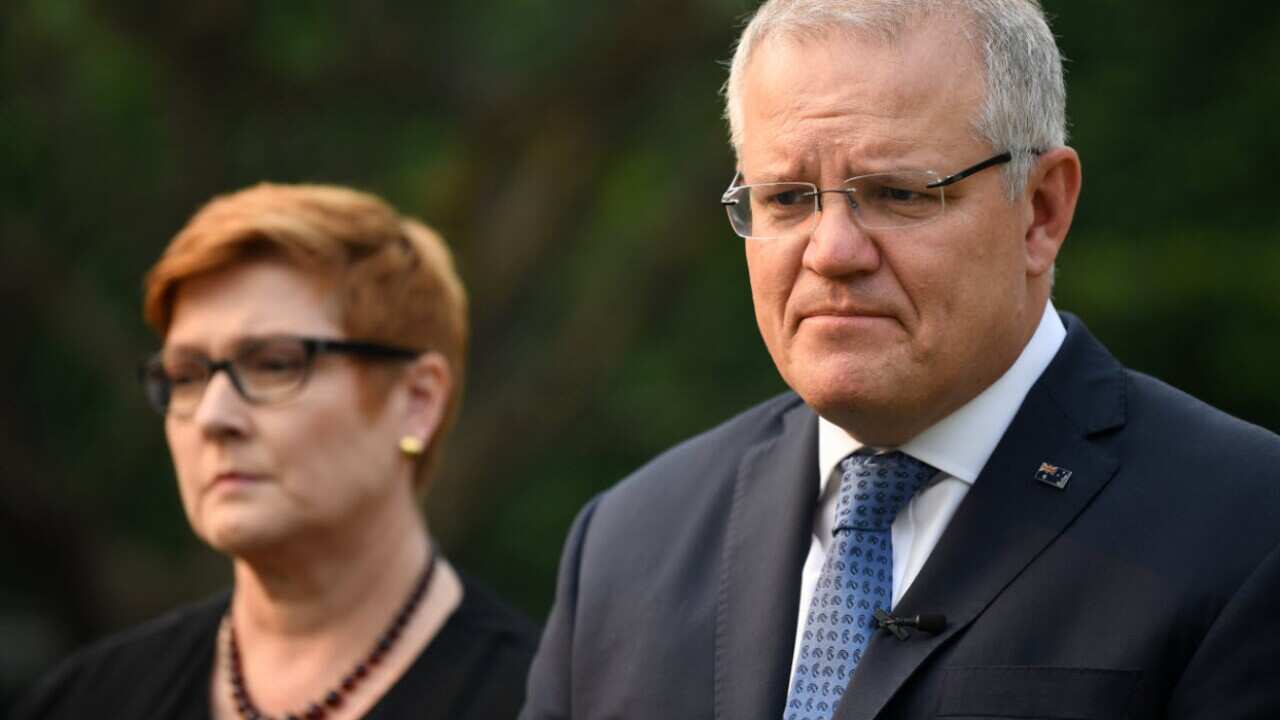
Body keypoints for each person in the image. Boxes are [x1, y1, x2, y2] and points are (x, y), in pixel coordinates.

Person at [520, 1, 1280, 718]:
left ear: (1041, 211)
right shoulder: (629, 543)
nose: (833, 252)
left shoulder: (1245, 526)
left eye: (896, 193)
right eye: (786, 199)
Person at [15, 183, 538, 720]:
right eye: (186, 376)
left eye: (275, 364)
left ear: (416, 402)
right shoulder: (87, 703)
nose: (214, 417)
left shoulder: (547, 702)